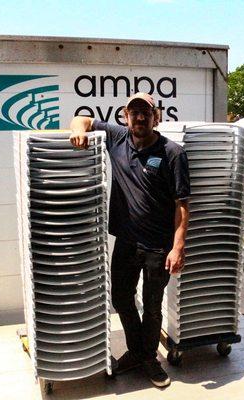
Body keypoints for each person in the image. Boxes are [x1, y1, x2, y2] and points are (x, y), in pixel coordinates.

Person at [69, 92, 190, 388]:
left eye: (145, 112)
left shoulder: (172, 152)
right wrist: (77, 130)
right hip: (126, 241)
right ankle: (139, 352)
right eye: (133, 112)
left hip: (157, 246)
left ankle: (148, 358)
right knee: (121, 298)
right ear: (125, 115)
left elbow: (182, 205)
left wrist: (178, 247)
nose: (139, 117)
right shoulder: (117, 137)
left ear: (155, 117)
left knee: (151, 305)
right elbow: (81, 118)